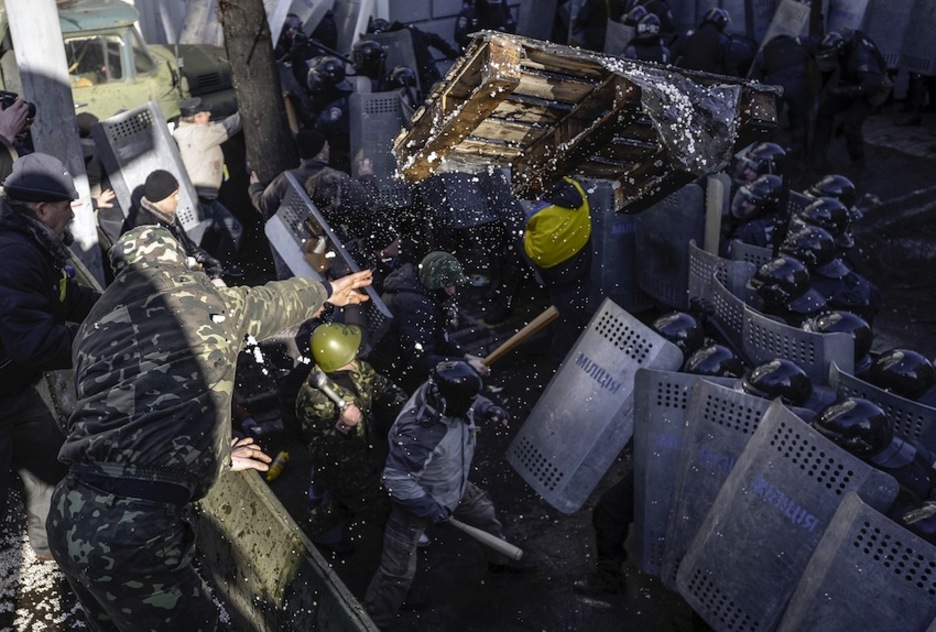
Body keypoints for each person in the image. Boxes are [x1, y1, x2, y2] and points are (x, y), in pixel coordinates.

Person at [46, 225, 373, 631]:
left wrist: (214, 454)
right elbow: (271, 303)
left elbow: (131, 419)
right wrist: (325, 291)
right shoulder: (201, 300)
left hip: (68, 511)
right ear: (174, 259)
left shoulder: (95, 323)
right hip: (132, 533)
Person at [363, 360, 523, 627]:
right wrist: (428, 507)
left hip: (454, 486)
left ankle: (500, 562)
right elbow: (396, 479)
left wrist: (487, 407)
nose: (472, 405)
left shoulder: (445, 393)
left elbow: (470, 399)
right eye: (469, 402)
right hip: (420, 501)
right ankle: (369, 622)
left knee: (484, 516)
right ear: (449, 401)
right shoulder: (420, 432)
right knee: (397, 573)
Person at [0, 152, 100, 562]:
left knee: (47, 464)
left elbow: (68, 297)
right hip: (6, 385)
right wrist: (100, 341)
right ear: (42, 209)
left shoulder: (38, 244)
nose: (72, 214)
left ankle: (47, 547)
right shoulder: (13, 254)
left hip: (16, 388)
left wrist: (119, 309)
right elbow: (33, 342)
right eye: (67, 206)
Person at [295, 322, 408, 552]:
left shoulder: (357, 368)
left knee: (342, 505)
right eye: (350, 351)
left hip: (363, 452)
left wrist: (408, 410)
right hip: (343, 466)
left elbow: (382, 388)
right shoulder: (316, 400)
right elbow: (321, 452)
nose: (356, 354)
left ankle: (310, 533)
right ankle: (400, 549)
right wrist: (342, 427)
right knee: (380, 509)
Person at [372, 250, 489, 392]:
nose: (453, 291)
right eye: (448, 286)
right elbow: (421, 360)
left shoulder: (415, 290)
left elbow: (437, 335)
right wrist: (464, 365)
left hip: (396, 365)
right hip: (399, 376)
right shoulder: (415, 306)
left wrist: (464, 355)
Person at [523, 176, 593, 365]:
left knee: (562, 321)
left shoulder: (546, 214)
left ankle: (560, 364)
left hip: (560, 276)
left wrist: (528, 234)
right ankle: (576, 348)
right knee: (575, 312)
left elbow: (539, 254)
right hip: (581, 265)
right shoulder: (576, 189)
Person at [172, 96, 244, 273]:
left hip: (206, 198)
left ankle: (221, 268)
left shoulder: (188, 132)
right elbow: (228, 127)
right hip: (199, 200)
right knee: (194, 246)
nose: (209, 114)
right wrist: (244, 113)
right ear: (196, 118)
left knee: (233, 229)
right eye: (205, 113)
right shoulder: (197, 134)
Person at [122, 169, 226, 283]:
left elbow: (187, 244)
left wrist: (209, 263)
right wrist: (197, 273)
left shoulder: (167, 214)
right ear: (160, 200)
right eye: (173, 195)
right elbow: (166, 275)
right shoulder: (149, 232)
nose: (178, 199)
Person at [811, 29, 890, 172]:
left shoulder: (862, 58)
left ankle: (858, 163)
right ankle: (819, 153)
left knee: (851, 125)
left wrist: (843, 92)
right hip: (854, 80)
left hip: (872, 88)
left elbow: (871, 86)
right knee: (825, 110)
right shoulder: (844, 41)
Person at [749, 35, 817, 162]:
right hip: (798, 84)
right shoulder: (798, 43)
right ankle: (798, 156)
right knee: (799, 120)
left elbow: (755, 79)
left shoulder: (765, 52)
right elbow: (818, 46)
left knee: (767, 124)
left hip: (775, 86)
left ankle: (762, 155)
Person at [674, 8, 735, 76]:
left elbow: (674, 57)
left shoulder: (688, 35)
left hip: (684, 78)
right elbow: (730, 68)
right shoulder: (723, 40)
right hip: (710, 82)